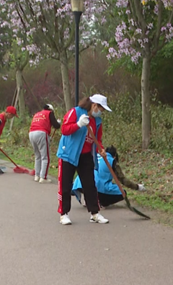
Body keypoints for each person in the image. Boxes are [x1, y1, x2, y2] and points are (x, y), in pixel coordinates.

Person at [57, 94, 111, 225]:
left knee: (90, 185)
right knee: (66, 185)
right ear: (94, 105)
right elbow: (64, 130)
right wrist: (78, 124)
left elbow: (98, 139)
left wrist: (101, 149)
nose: (101, 112)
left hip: (86, 155)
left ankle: (94, 213)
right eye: (101, 109)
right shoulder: (75, 112)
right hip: (69, 153)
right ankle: (64, 214)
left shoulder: (97, 121)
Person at [72, 145, 145, 208]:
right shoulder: (112, 161)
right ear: (115, 156)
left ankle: (88, 199)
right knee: (122, 192)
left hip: (79, 184)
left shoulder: (95, 155)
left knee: (93, 182)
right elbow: (123, 180)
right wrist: (137, 187)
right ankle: (101, 202)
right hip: (96, 186)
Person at [29, 103, 61, 183]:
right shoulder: (49, 113)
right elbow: (56, 125)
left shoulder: (37, 114)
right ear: (51, 109)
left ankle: (37, 176)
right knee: (45, 157)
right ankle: (43, 177)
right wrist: (59, 122)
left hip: (31, 133)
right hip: (41, 133)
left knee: (37, 156)